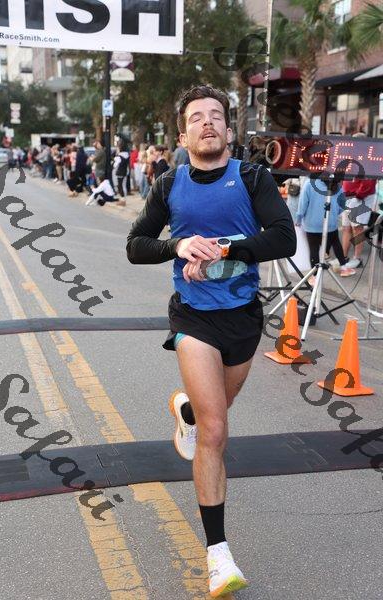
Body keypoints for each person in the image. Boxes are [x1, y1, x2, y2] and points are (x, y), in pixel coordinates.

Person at [126, 85, 297, 598]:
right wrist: (178, 244)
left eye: (216, 116)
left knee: (213, 412)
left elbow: (284, 237)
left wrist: (224, 249)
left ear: (228, 129)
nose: (207, 123)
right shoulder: (168, 184)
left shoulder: (252, 177)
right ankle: (218, 555)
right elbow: (135, 246)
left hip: (243, 317)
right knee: (217, 431)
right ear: (183, 135)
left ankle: (188, 412)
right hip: (194, 318)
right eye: (197, 117)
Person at [295, 177, 356, 282]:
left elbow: (302, 204)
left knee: (313, 249)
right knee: (336, 243)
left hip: (312, 223)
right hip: (330, 223)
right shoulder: (337, 185)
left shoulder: (309, 183)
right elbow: (342, 204)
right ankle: (344, 267)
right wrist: (333, 214)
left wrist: (299, 219)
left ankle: (314, 276)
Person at [341, 133, 376, 268]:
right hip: (348, 197)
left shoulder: (368, 159)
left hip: (359, 199)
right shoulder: (351, 157)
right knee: (346, 228)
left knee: (358, 229)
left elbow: (368, 182)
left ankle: (357, 258)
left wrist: (358, 196)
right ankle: (343, 257)